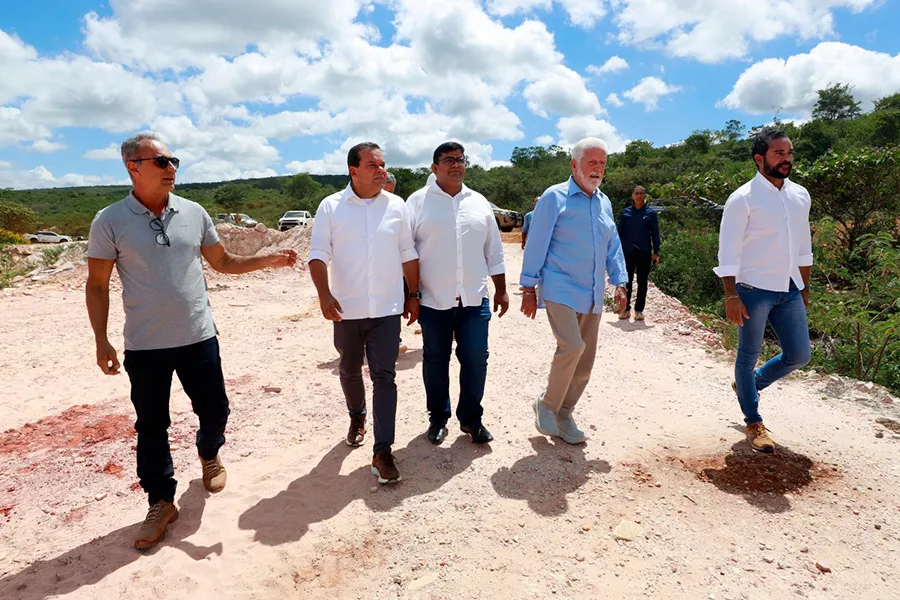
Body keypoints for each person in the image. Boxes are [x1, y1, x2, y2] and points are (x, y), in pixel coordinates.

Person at [85, 132, 297, 550]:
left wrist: (266, 260)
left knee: (216, 407)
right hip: (145, 346)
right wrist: (101, 340)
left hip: (198, 336)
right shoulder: (109, 220)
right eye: (162, 161)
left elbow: (222, 262)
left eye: (173, 160)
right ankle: (161, 500)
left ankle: (209, 452)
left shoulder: (193, 212)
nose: (172, 168)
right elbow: (97, 284)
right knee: (151, 425)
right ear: (133, 166)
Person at [307, 142, 420, 484]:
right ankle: (357, 415)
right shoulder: (331, 207)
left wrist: (413, 295)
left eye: (382, 164)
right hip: (347, 308)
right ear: (353, 171)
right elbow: (316, 254)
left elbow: (408, 252)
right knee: (349, 368)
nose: (381, 170)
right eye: (373, 164)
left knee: (385, 376)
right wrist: (324, 295)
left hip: (387, 308)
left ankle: (383, 450)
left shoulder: (397, 206)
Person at [520, 137, 628, 444]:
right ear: (574, 164)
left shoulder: (604, 201)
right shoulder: (555, 197)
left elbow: (613, 245)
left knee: (585, 361)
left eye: (602, 164)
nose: (597, 169)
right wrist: (529, 286)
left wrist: (619, 281)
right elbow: (537, 242)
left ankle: (565, 414)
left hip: (592, 291)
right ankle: (547, 404)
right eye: (591, 162)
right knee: (572, 346)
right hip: (559, 285)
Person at [714, 126, 812, 453]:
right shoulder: (742, 199)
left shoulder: (800, 195)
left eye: (789, 153)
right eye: (779, 153)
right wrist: (731, 293)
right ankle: (753, 422)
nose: (786, 159)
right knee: (748, 355)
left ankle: (749, 386)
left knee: (799, 354)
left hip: (789, 288)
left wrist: (805, 285)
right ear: (760, 159)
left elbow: (803, 245)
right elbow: (728, 250)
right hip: (753, 290)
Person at [407, 142, 508, 445]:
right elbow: (406, 252)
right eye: (448, 160)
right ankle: (438, 418)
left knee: (476, 359)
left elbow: (494, 250)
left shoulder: (479, 203)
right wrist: (410, 295)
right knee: (435, 359)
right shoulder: (417, 202)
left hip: (474, 299)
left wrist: (501, 290)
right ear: (434, 167)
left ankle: (471, 420)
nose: (456, 165)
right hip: (432, 298)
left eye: (460, 159)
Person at [617, 186, 661, 321]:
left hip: (644, 252)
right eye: (637, 193)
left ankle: (639, 310)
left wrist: (656, 252)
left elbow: (655, 234)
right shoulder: (625, 213)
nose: (639, 195)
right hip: (628, 252)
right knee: (627, 281)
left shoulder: (650, 214)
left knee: (642, 282)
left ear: (645, 196)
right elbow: (618, 233)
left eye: (642, 193)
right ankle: (626, 309)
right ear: (632, 196)